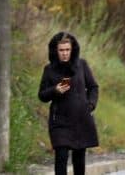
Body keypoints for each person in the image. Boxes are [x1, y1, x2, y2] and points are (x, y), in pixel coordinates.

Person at [38, 32, 99, 175]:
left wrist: (90, 105)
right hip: (60, 121)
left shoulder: (82, 65)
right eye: (61, 50)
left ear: (72, 50)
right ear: (55, 51)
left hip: (81, 119)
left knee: (79, 160)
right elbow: (42, 95)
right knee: (61, 156)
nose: (65, 53)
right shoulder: (49, 70)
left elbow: (93, 87)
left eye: (67, 50)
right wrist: (55, 90)